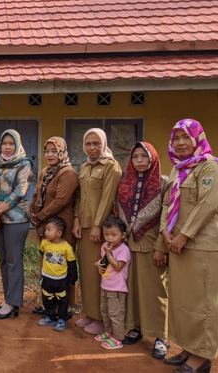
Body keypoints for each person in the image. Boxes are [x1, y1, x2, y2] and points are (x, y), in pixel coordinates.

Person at [161, 119, 218, 373]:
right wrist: (165, 232)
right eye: (176, 138)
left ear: (197, 138)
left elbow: (207, 205)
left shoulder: (210, 166)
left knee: (203, 302)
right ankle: (189, 348)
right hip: (178, 244)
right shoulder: (178, 169)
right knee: (184, 302)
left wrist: (183, 236)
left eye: (185, 137)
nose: (180, 143)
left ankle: (202, 356)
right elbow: (167, 204)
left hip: (202, 245)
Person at [114, 142, 169, 358]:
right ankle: (135, 327)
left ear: (152, 158)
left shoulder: (163, 183)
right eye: (135, 156)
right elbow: (118, 212)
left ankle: (161, 336)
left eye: (144, 156)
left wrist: (161, 247)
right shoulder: (124, 183)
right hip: (129, 245)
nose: (139, 160)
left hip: (152, 244)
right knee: (132, 288)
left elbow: (167, 218)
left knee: (154, 290)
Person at [72, 128, 122, 335]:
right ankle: (90, 313)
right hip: (83, 227)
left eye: (96, 143)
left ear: (103, 144)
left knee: (100, 272)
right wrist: (76, 219)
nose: (92, 147)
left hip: (100, 229)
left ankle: (101, 317)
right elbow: (79, 197)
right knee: (87, 272)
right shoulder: (84, 167)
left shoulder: (111, 166)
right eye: (88, 143)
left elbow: (108, 197)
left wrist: (97, 225)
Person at [0, 129, 35, 320]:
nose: (7, 147)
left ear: (17, 145)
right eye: (4, 143)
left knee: (14, 261)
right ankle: (8, 299)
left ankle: (13, 302)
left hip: (16, 219)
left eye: (11, 143)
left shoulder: (24, 164)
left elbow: (19, 192)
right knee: (3, 260)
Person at [30, 136, 79, 316]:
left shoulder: (68, 173)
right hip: (45, 226)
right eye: (47, 151)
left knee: (63, 265)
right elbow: (36, 193)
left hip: (61, 227)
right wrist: (32, 212)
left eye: (54, 151)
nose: (49, 155)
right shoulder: (45, 171)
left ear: (62, 152)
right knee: (47, 263)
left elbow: (61, 200)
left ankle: (66, 306)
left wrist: (40, 216)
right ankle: (49, 302)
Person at [94, 216, 131, 350]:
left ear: (123, 235)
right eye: (106, 235)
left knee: (116, 314)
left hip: (117, 289)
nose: (109, 238)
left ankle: (118, 338)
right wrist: (98, 264)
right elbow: (104, 262)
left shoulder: (123, 250)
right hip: (105, 286)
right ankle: (109, 333)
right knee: (105, 312)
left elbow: (118, 266)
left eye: (114, 235)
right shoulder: (105, 247)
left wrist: (109, 253)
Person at [35, 217, 77, 332]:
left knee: (62, 300)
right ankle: (50, 317)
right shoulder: (44, 243)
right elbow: (42, 253)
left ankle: (62, 319)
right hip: (47, 278)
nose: (46, 232)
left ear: (59, 233)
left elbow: (72, 264)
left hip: (61, 280)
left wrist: (72, 279)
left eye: (49, 230)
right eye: (46, 229)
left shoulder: (67, 248)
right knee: (47, 298)